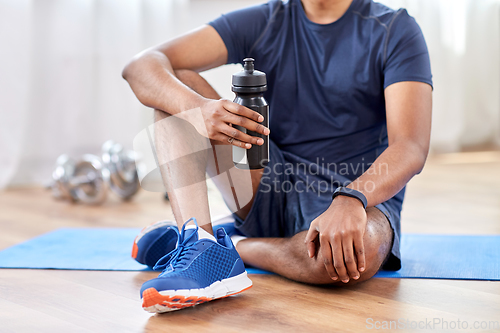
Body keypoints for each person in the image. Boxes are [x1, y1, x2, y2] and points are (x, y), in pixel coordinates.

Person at [123, 0, 432, 313]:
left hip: (362, 194)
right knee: (178, 86)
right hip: (268, 181)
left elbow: (410, 146)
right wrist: (199, 109)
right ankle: (201, 245)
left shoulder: (395, 29)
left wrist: (352, 198)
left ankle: (229, 247)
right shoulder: (266, 20)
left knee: (352, 257)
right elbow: (141, 66)